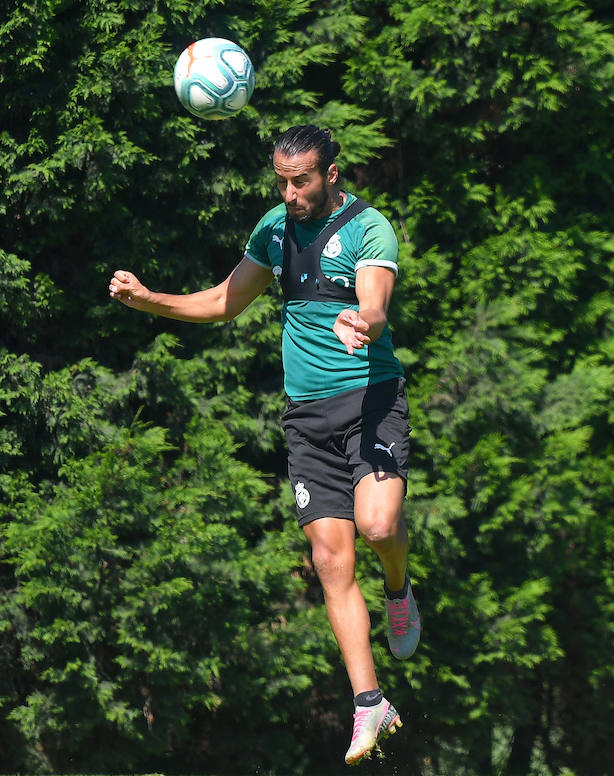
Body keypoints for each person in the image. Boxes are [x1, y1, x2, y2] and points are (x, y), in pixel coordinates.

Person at [107, 125, 420, 765]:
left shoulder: (368, 228)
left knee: (380, 526)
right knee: (331, 563)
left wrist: (363, 321)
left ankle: (398, 589)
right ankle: (370, 705)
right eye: (280, 179)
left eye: (300, 179)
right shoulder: (273, 231)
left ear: (331, 174)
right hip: (306, 420)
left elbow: (376, 301)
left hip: (370, 403)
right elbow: (225, 300)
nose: (289, 191)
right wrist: (148, 301)